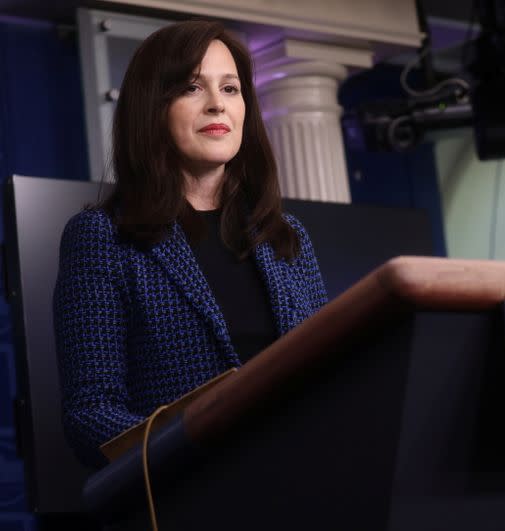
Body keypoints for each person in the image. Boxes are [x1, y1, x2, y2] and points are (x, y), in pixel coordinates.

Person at [53, 20, 328, 468]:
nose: (218, 105)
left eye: (231, 89)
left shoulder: (287, 236)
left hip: (306, 480)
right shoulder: (101, 237)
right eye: (192, 88)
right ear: (152, 107)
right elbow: (90, 414)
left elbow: (328, 372)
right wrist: (195, 449)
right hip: (193, 491)